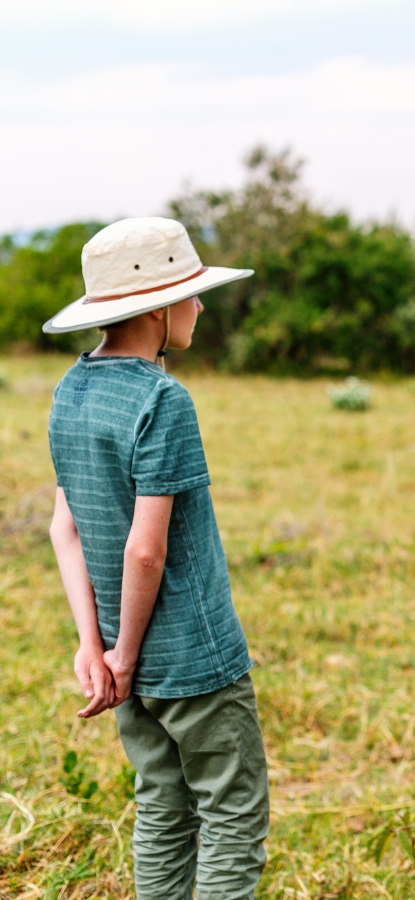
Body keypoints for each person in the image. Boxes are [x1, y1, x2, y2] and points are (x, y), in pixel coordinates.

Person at [43, 217, 269, 899]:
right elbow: (146, 550)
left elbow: (65, 528)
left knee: (162, 808)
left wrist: (99, 647)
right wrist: (130, 654)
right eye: (193, 294)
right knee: (232, 815)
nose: (200, 306)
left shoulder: (70, 391)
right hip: (191, 656)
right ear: (160, 307)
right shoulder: (163, 399)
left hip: (118, 653)